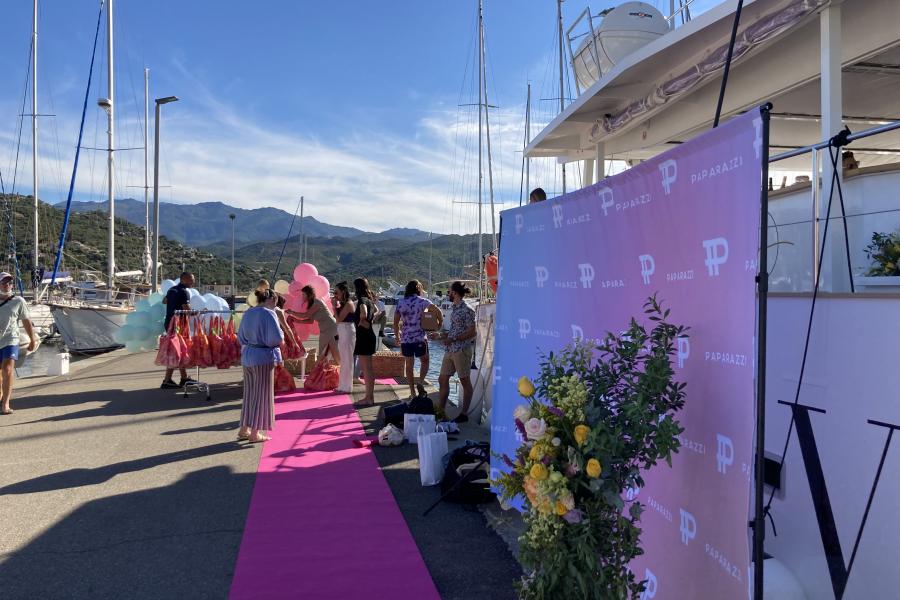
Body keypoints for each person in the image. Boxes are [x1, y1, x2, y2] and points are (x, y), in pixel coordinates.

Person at [237, 288, 284, 443]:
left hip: (248, 354)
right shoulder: (269, 313)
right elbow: (276, 339)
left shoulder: (248, 312)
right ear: (272, 299)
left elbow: (241, 337)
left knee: (249, 394)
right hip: (263, 356)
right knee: (262, 395)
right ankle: (255, 433)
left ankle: (244, 429)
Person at [393, 279, 442, 399]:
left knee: (409, 366)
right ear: (418, 289)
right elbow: (437, 311)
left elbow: (395, 323)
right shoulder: (423, 301)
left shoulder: (401, 302)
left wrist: (397, 336)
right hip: (420, 338)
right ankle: (420, 382)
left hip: (406, 339)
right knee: (425, 361)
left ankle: (412, 392)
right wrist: (439, 324)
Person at [437, 281, 477, 423]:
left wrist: (453, 339)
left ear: (454, 293)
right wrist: (441, 335)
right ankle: (440, 412)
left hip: (461, 350)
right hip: (450, 349)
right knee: (442, 379)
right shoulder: (454, 308)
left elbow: (472, 332)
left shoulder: (468, 310)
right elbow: (455, 330)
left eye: (449, 292)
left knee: (464, 381)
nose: (448, 294)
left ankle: (464, 414)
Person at [0, 273, 36, 415]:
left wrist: (32, 339)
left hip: (11, 339)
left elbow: (26, 321)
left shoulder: (18, 301)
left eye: (9, 282)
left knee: (7, 369)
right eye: (4, 282)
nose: (7, 285)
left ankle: (5, 404)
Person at [161, 272, 197, 389]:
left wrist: (173, 303)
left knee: (179, 350)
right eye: (191, 279)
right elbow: (187, 310)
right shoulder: (184, 292)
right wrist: (199, 312)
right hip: (178, 325)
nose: (193, 282)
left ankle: (184, 378)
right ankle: (167, 380)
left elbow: (164, 301)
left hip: (169, 323)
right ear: (184, 279)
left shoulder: (171, 290)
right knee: (176, 351)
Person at [287, 285, 339, 366]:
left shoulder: (317, 302)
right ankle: (322, 369)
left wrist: (292, 312)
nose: (302, 297)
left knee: (333, 350)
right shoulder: (311, 305)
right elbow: (310, 321)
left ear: (309, 294)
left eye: (303, 294)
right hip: (325, 330)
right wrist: (296, 320)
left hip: (331, 328)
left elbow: (305, 315)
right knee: (323, 351)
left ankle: (331, 368)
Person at [352, 278, 378, 406]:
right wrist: (370, 321)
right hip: (370, 336)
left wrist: (362, 321)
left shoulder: (362, 300)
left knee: (366, 369)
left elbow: (363, 312)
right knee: (369, 368)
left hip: (363, 336)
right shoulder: (370, 300)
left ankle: (368, 398)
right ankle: (370, 397)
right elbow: (377, 311)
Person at [332, 282, 356, 393]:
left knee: (347, 359)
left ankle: (347, 387)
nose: (335, 295)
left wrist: (334, 306)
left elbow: (339, 319)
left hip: (347, 330)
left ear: (343, 292)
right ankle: (342, 386)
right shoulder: (343, 304)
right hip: (343, 330)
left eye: (336, 292)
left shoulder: (349, 304)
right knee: (344, 359)